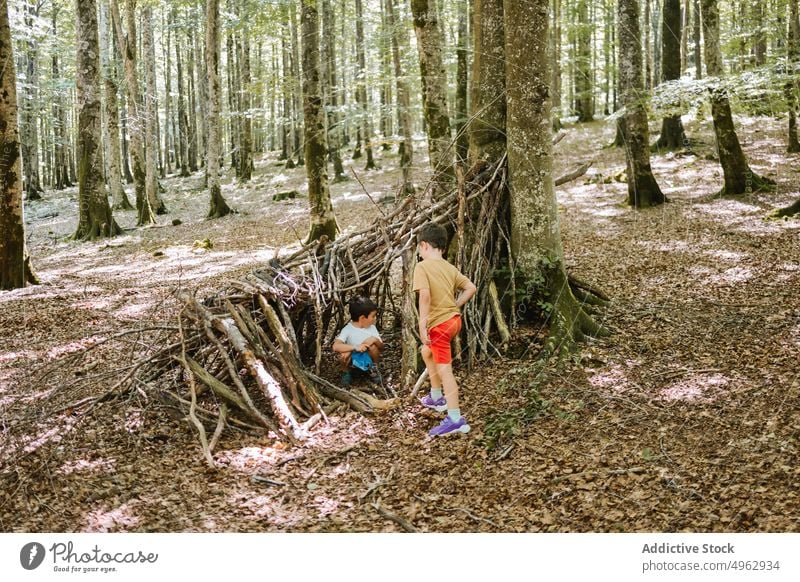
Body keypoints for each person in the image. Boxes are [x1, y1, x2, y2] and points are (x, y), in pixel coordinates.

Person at [413, 223, 477, 436]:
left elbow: (425, 296)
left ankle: (455, 418)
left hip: (439, 326)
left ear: (424, 245)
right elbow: (471, 288)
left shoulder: (422, 267)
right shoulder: (449, 267)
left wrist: (422, 324)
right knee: (426, 351)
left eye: (419, 250)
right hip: (453, 322)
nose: (419, 254)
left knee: (445, 370)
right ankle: (436, 396)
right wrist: (455, 306)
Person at [332, 296, 384, 386]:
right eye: (373, 316)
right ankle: (346, 372)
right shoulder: (348, 329)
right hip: (353, 360)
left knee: (374, 347)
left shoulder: (372, 328)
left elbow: (381, 347)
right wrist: (356, 347)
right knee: (344, 353)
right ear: (362, 318)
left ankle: (374, 369)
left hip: (368, 358)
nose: (375, 319)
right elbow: (335, 346)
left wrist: (374, 340)